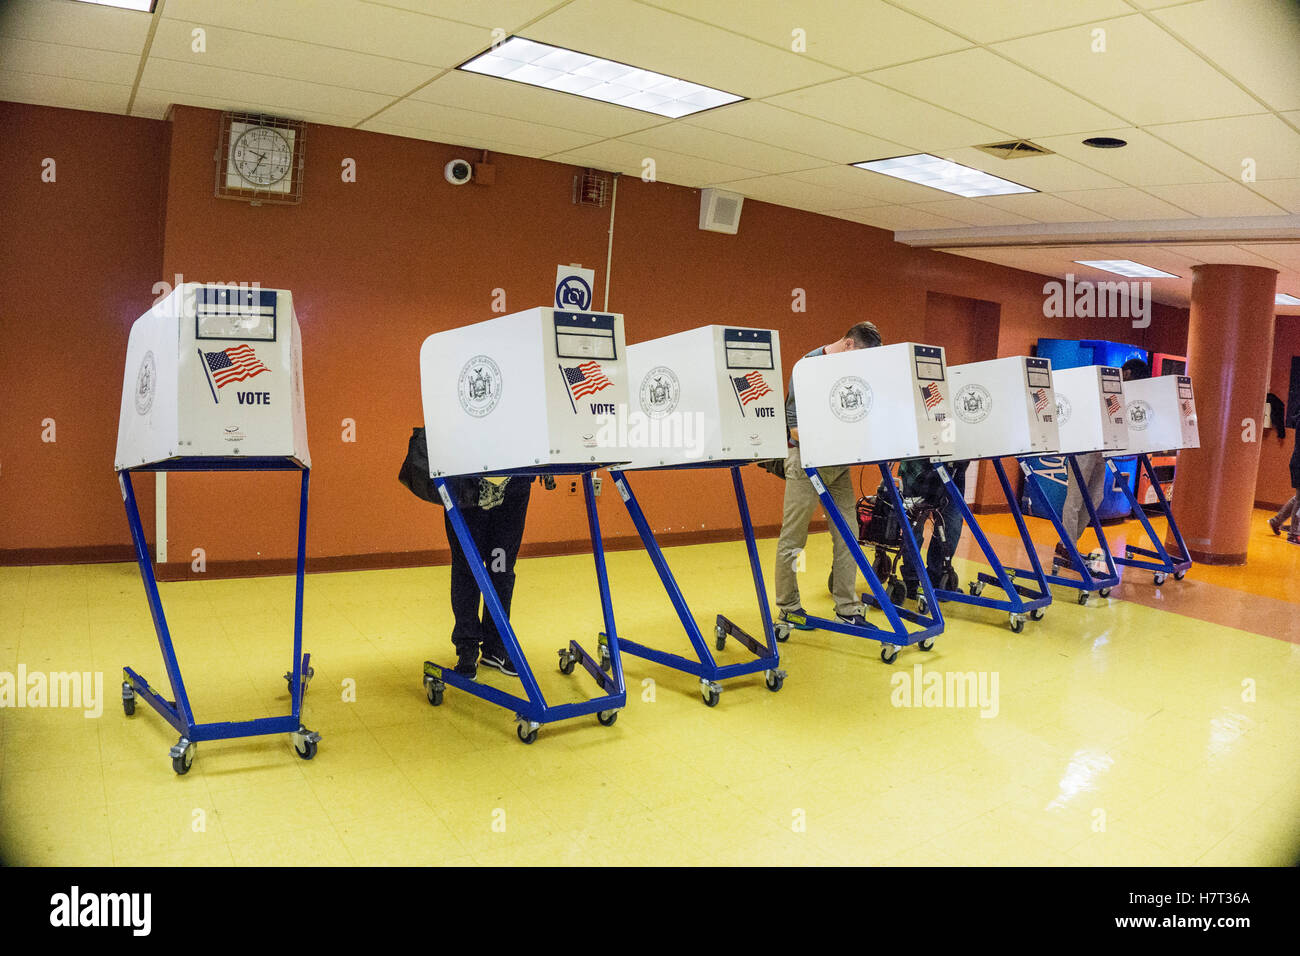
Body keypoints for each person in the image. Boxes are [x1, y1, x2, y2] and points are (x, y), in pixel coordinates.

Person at [774, 322, 882, 630]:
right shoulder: (807, 368)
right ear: (848, 344)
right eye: (861, 355)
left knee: (849, 535)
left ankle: (847, 607)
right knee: (794, 538)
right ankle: (788, 607)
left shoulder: (850, 373)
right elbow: (793, 428)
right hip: (806, 461)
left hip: (837, 464)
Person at [1055, 356, 1150, 571]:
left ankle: (1066, 544)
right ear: (1126, 374)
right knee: (1075, 500)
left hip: (1100, 450)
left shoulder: (1120, 393)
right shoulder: (1099, 386)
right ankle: (1068, 547)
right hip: (1081, 447)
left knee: (1096, 498)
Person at [898, 458, 968, 600]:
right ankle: (911, 578)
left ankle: (937, 576)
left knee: (952, 523)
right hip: (918, 467)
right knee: (914, 524)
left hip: (954, 468)